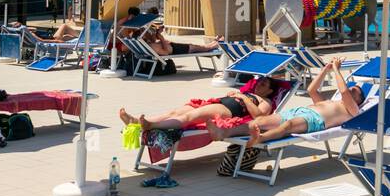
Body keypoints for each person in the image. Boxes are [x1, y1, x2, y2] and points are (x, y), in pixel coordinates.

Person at [209, 58, 364, 145]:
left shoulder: (352, 111)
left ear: (358, 101)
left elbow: (343, 91)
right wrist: (326, 69)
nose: (351, 89)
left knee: (288, 126)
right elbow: (312, 90)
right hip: (299, 112)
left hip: (314, 120)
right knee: (261, 120)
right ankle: (223, 132)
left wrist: (337, 69)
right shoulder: (330, 102)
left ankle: (261, 138)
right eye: (352, 87)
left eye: (355, 91)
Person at [118, 76, 281, 132]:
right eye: (260, 82)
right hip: (219, 101)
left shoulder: (265, 101)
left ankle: (151, 126)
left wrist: (243, 98)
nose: (259, 84)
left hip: (229, 109)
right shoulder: (249, 91)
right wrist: (235, 94)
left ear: (269, 91)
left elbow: (259, 116)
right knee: (175, 112)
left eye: (264, 84)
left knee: (189, 116)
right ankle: (136, 122)